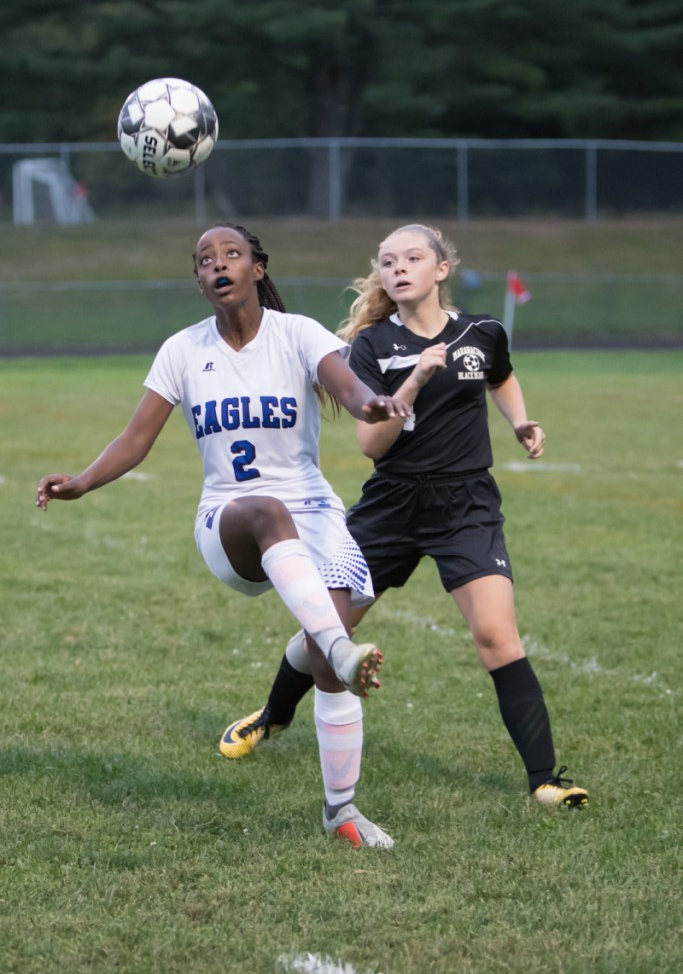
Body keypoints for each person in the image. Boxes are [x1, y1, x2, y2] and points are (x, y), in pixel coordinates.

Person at [36, 221, 416, 848]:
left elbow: (347, 386)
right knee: (268, 514)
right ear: (200, 280)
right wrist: (81, 481)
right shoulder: (183, 350)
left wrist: (370, 404)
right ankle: (340, 651)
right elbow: (136, 439)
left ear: (256, 270)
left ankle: (341, 812)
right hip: (230, 522)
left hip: (316, 513)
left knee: (326, 655)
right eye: (204, 259)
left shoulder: (297, 334)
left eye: (231, 254)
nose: (217, 264)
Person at [221, 223, 589, 811]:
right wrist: (415, 378)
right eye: (388, 261)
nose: (398, 268)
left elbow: (499, 375)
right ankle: (272, 716)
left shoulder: (481, 332)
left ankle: (545, 778)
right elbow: (372, 444)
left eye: (413, 258)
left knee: (497, 636)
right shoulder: (369, 346)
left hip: (465, 505)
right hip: (391, 506)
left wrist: (519, 420)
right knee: (331, 628)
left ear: (441, 269)